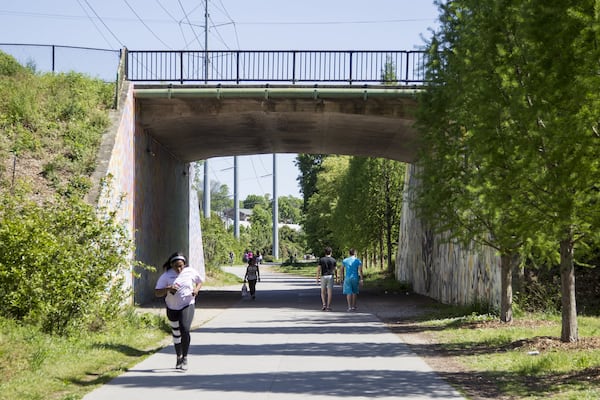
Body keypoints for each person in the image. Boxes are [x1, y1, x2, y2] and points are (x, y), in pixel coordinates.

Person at [155, 252, 203, 370]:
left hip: (187, 304)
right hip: (172, 307)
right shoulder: (166, 276)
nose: (179, 269)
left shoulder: (190, 272)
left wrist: (196, 290)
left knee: (185, 329)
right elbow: (157, 292)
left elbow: (199, 281)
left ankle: (185, 357)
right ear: (171, 265)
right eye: (176, 266)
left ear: (185, 264)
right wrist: (168, 289)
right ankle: (178, 356)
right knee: (176, 333)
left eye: (181, 265)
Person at [316, 246, 337, 311]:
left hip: (323, 276)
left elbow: (318, 269)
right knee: (329, 292)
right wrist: (336, 277)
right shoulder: (333, 260)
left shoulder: (321, 260)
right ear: (331, 252)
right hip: (330, 276)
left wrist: (317, 278)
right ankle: (328, 306)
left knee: (323, 291)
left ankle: (324, 304)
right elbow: (335, 269)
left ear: (325, 252)